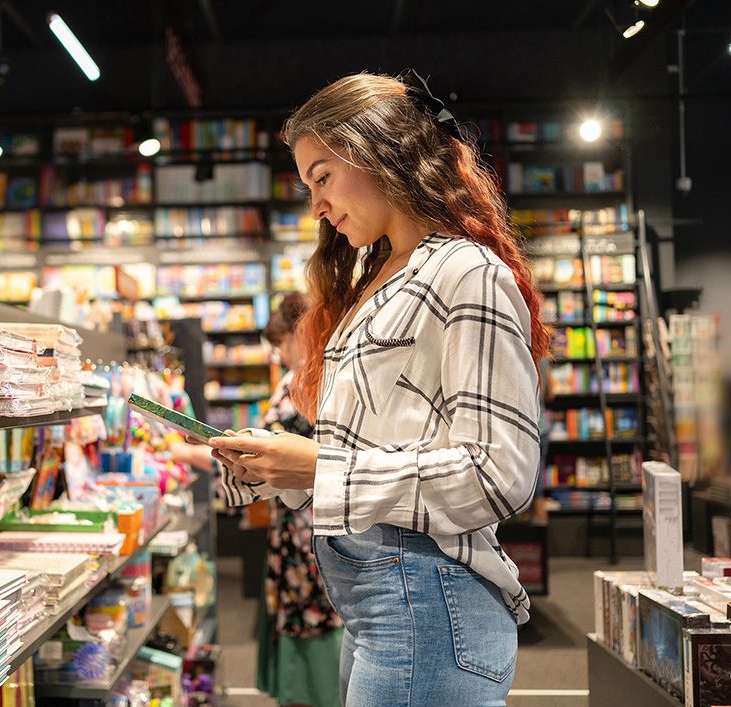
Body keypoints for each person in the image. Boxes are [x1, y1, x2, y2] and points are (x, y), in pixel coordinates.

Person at [208, 70, 548, 707]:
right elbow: (378, 445)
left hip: (427, 598)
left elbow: (499, 472)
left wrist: (319, 466)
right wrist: (280, 468)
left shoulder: (464, 271)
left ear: (374, 152)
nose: (316, 206)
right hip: (379, 604)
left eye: (321, 176)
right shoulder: (376, 278)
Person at [255, 292, 343, 707]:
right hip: (309, 515)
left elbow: (271, 447)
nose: (280, 353)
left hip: (305, 518)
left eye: (282, 343)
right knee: (313, 610)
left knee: (311, 611)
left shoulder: (303, 381)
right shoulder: (316, 376)